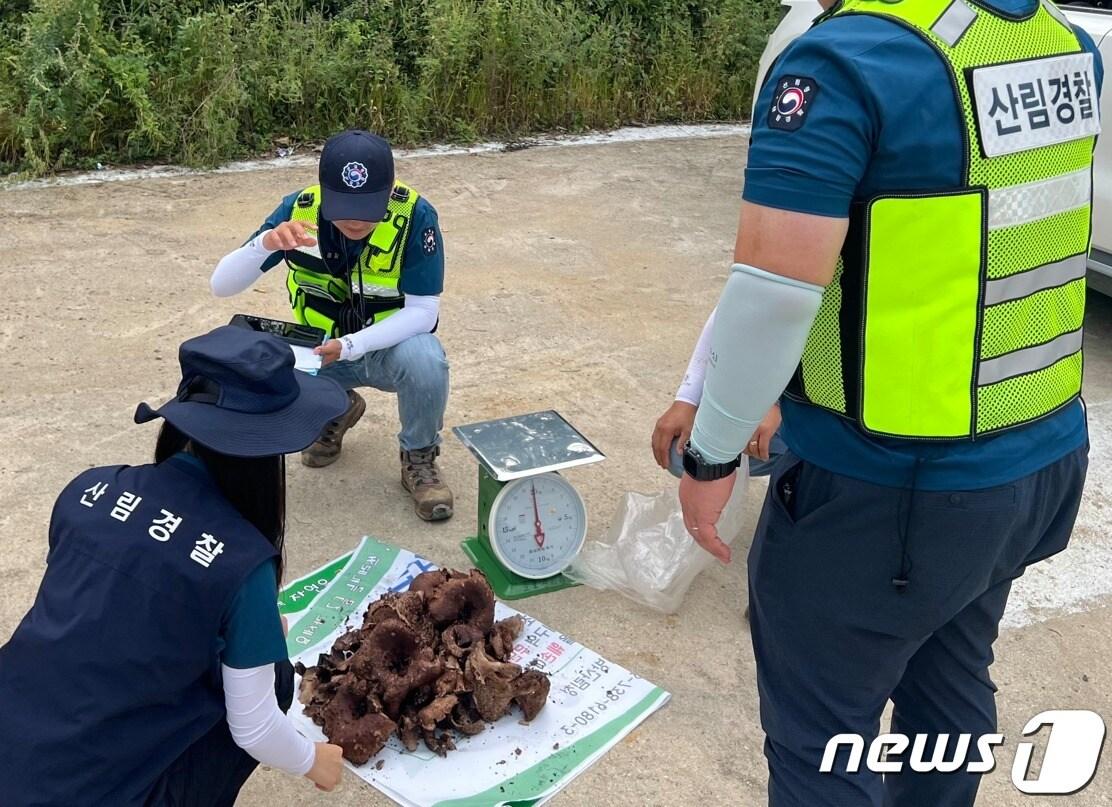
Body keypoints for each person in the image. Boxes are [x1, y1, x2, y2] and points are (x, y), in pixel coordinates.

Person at [677, 0, 1101, 804]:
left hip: (890, 492)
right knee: (949, 690)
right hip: (1031, 462)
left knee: (822, 738)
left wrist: (711, 451)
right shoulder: (1063, 45)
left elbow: (772, 295)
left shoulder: (848, 63)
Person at [0, 326, 350, 805]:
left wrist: (256, 624)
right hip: (85, 793)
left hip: (13, 734)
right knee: (275, 677)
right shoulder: (241, 561)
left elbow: (115, 602)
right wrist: (315, 761)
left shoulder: (87, 489)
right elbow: (255, 728)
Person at [211, 129, 453, 522]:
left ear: (389, 191)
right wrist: (265, 245)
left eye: (368, 206)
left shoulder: (416, 216)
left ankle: (419, 455)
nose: (355, 219)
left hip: (383, 352)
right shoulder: (297, 209)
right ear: (323, 191)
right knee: (240, 353)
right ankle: (336, 406)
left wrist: (352, 346)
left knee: (427, 359)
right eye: (342, 205)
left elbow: (424, 312)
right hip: (317, 353)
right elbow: (221, 285)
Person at [651, 306, 785, 478]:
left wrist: (778, 404)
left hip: (822, 404)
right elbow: (733, 305)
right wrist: (686, 399)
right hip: (787, 381)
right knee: (688, 455)